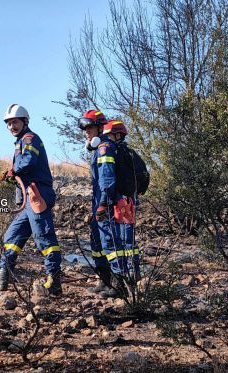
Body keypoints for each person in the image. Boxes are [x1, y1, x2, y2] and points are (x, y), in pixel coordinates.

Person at [0, 104, 62, 295]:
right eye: (9, 124)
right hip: (27, 201)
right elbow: (23, 168)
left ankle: (54, 282)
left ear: (24, 122)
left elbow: (27, 162)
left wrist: (12, 171)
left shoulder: (30, 139)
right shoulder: (20, 142)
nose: (12, 126)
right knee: (12, 236)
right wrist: (11, 175)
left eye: (15, 122)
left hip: (36, 196)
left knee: (44, 238)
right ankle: (2, 276)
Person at [77, 110, 123, 298]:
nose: (86, 132)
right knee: (97, 241)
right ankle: (103, 281)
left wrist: (104, 203)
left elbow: (107, 179)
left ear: (99, 127)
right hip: (98, 202)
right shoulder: (98, 149)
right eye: (84, 128)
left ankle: (118, 284)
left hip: (107, 202)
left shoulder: (104, 148)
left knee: (109, 241)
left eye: (89, 127)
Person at [102, 120, 140, 283]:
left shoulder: (115, 152)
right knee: (128, 238)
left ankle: (128, 275)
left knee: (124, 238)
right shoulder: (127, 153)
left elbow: (109, 178)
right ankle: (133, 271)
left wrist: (106, 201)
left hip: (121, 201)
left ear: (117, 135)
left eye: (108, 135)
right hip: (129, 200)